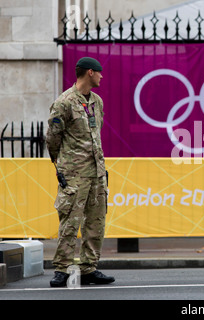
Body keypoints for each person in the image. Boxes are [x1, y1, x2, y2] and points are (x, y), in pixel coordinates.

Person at [46, 57, 115, 287]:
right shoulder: (64, 102)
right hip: (74, 173)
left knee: (96, 223)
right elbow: (53, 137)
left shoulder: (97, 101)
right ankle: (62, 268)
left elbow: (97, 133)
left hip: (97, 172)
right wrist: (61, 164)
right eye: (99, 72)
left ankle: (89, 268)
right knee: (70, 222)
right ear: (89, 73)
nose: (102, 76)